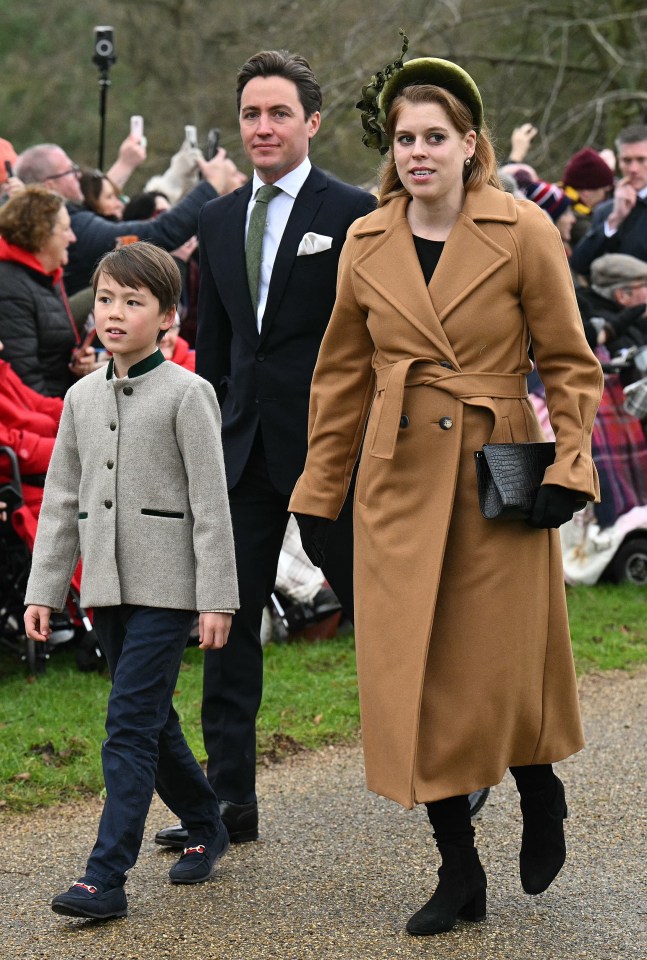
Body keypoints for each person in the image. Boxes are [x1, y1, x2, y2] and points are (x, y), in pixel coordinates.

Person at [288, 40, 603, 936]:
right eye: (401, 138)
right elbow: (339, 376)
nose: (415, 152)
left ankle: (539, 791)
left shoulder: (522, 229)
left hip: (493, 475)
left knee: (497, 671)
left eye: (434, 135)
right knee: (410, 678)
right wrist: (318, 493)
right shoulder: (367, 238)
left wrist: (570, 464)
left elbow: (571, 365)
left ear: (471, 143)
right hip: (394, 478)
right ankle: (457, 869)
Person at [154, 49, 376, 853]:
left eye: (278, 112)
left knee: (382, 615)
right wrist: (198, 442)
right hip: (239, 453)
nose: (263, 127)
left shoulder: (353, 211)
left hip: (331, 451)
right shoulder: (215, 220)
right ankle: (227, 803)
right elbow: (215, 350)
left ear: (311, 122)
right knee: (227, 627)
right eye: (251, 113)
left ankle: (452, 764)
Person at [23, 242, 239, 920]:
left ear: (167, 316)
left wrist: (217, 598)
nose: (114, 314)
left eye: (133, 302)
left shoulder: (188, 393)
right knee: (149, 718)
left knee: (126, 724)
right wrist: (43, 588)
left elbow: (211, 502)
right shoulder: (81, 396)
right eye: (106, 299)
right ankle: (207, 822)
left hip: (171, 588)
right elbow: (62, 498)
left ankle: (104, 876)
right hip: (106, 587)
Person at [15, 142, 240, 295]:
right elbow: (159, 233)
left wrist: (129, 164)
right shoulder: (75, 226)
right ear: (49, 185)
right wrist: (211, 186)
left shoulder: (50, 220)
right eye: (69, 172)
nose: (78, 176)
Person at [0, 186, 95, 396]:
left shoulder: (44, 277)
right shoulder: (9, 287)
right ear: (42, 235)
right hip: (43, 419)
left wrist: (77, 365)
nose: (73, 238)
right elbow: (25, 382)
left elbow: (50, 359)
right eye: (65, 229)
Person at [570, 124, 647, 276]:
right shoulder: (606, 211)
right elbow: (579, 264)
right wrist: (614, 220)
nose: (633, 169)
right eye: (627, 160)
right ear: (619, 161)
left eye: (641, 160)